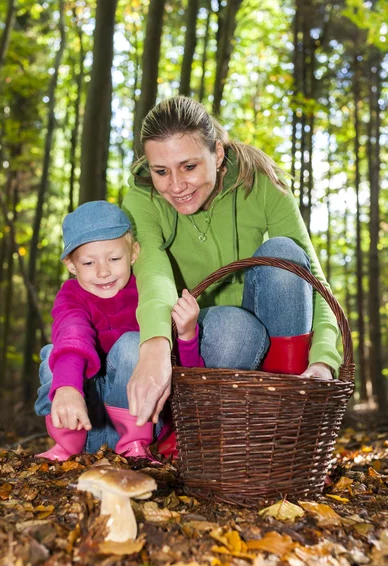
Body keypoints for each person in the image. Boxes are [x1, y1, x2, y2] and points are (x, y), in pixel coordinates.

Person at [122, 96, 342, 444]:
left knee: (284, 253)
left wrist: (325, 359)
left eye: (189, 167)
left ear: (218, 154)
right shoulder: (141, 200)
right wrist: (154, 346)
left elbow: (313, 278)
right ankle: (205, 434)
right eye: (161, 171)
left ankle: (287, 427)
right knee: (232, 328)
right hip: (199, 337)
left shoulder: (261, 183)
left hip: (272, 333)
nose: (175, 186)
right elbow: (153, 273)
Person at [34, 200, 202, 462]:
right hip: (85, 423)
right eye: (88, 263)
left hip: (137, 423)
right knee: (55, 353)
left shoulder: (149, 295)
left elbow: (184, 372)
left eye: (114, 258)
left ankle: (135, 445)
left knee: (134, 344)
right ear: (71, 264)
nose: (103, 271)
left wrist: (187, 335)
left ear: (134, 253)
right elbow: (72, 334)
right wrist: (68, 387)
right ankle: (67, 444)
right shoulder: (71, 295)